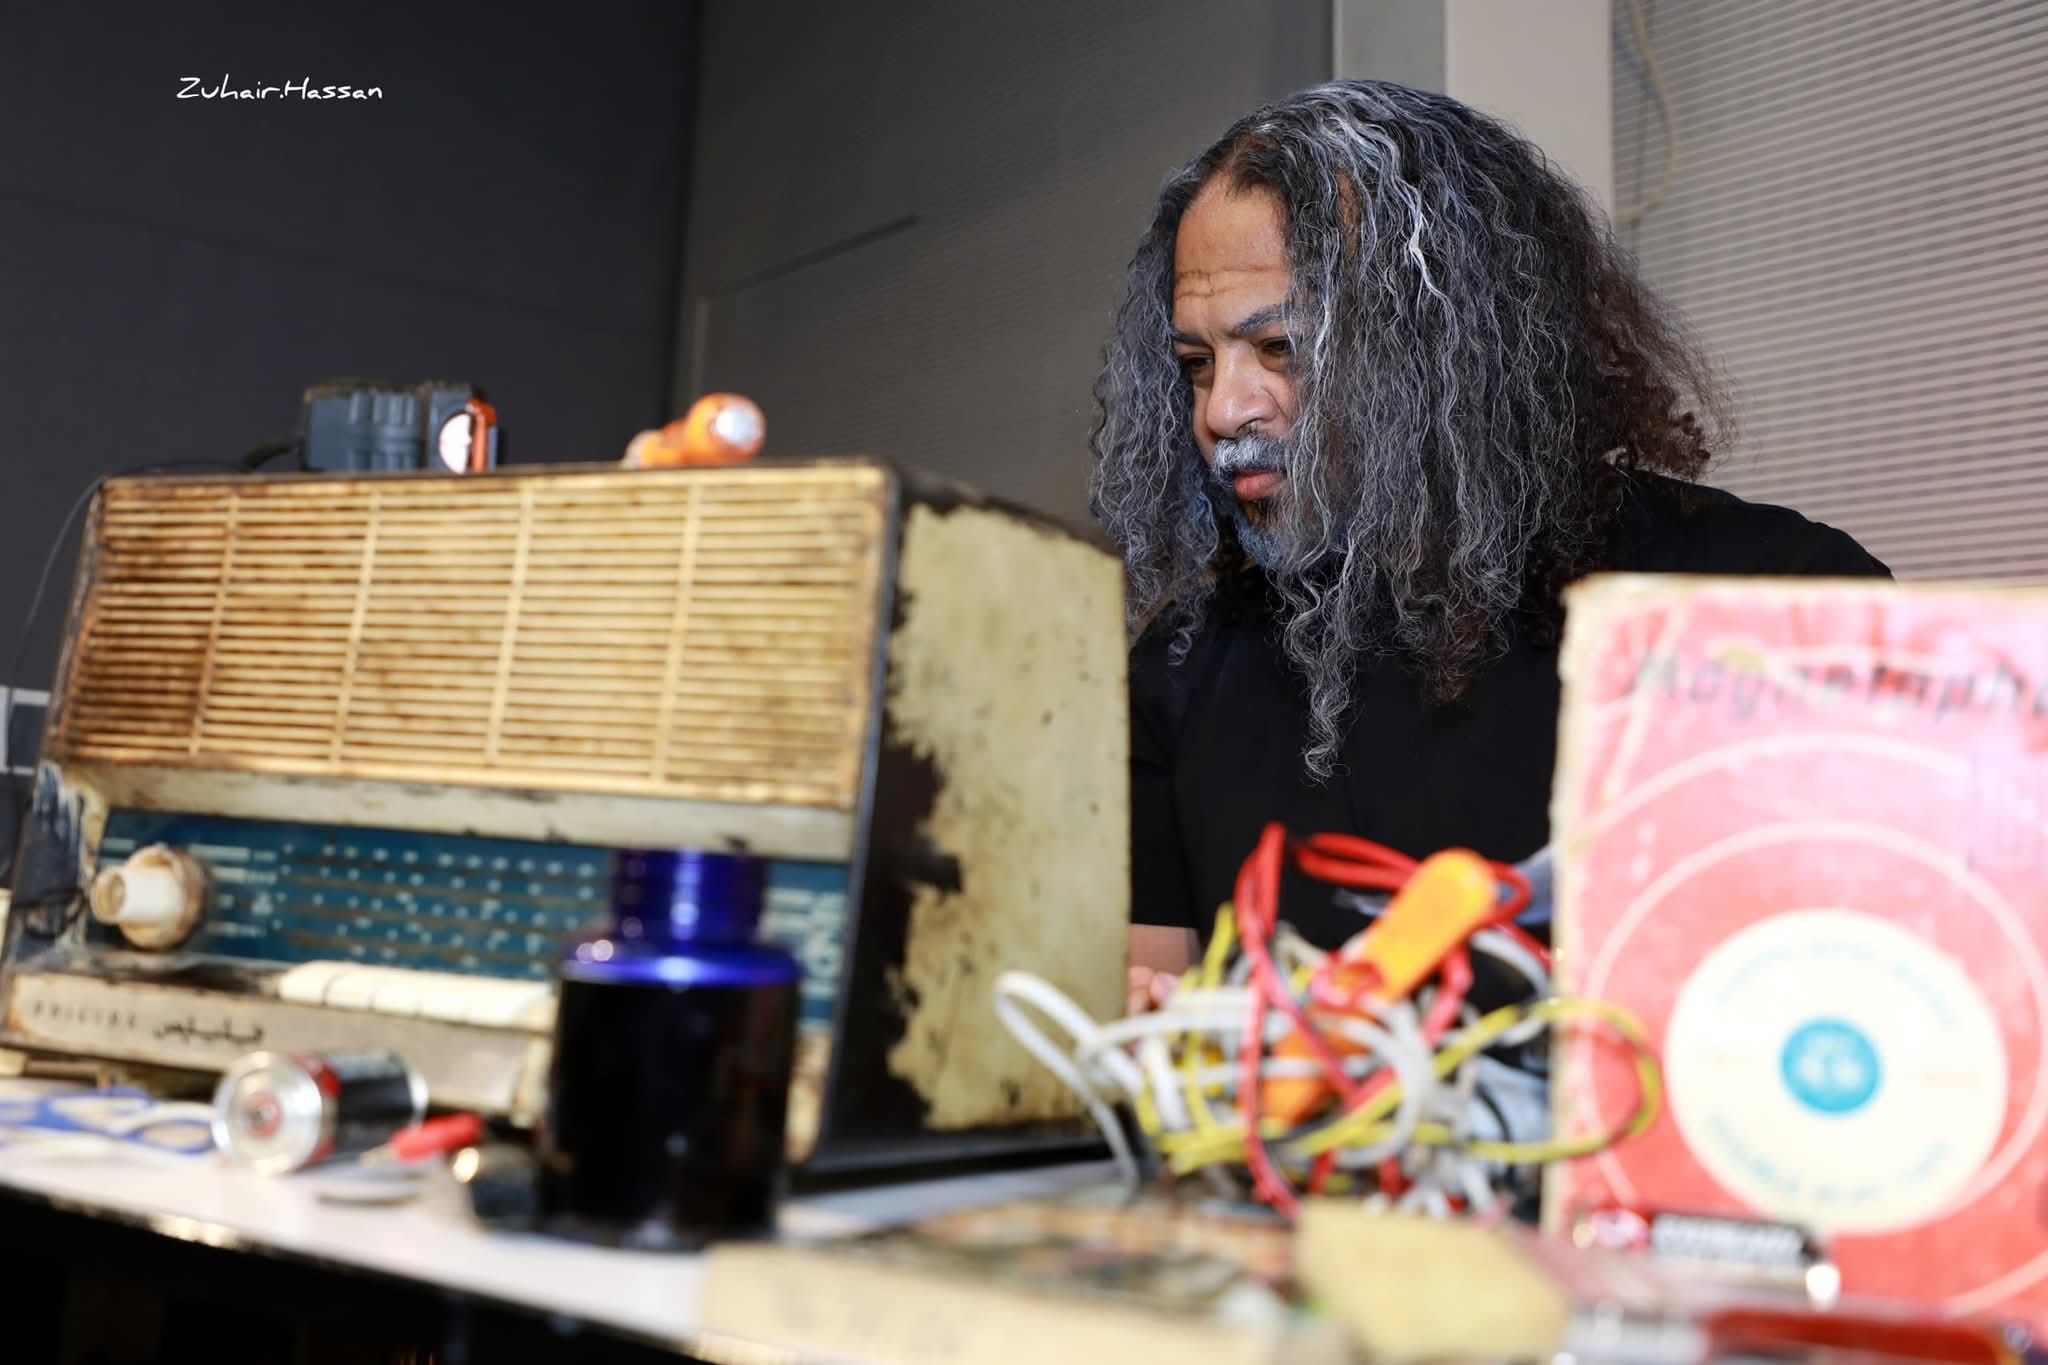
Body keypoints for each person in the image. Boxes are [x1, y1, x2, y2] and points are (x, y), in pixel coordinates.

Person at [1088, 80, 1886, 1000]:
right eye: (1196, 364)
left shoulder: (1772, 602)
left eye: (1282, 350)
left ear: (1443, 344)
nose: (1223, 410)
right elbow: (1145, 1018)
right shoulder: (1179, 670)